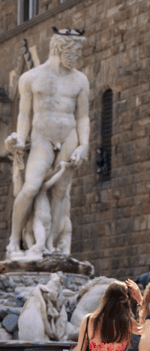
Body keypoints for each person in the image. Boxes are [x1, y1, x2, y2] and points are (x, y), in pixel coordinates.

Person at [5, 29, 89, 260]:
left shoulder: (80, 80)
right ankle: (14, 241)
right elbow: (24, 115)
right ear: (60, 48)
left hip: (69, 135)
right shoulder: (31, 77)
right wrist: (20, 139)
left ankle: (49, 245)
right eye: (75, 50)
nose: (78, 56)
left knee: (60, 192)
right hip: (42, 136)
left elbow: (83, 117)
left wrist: (84, 145)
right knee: (31, 187)